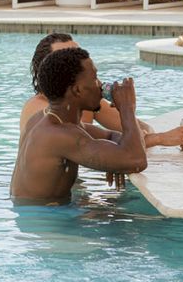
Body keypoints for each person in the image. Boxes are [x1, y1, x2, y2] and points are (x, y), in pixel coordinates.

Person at [11, 46, 148, 204]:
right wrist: (127, 108)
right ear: (77, 90)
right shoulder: (59, 135)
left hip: (37, 214)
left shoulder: (49, 120)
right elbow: (137, 160)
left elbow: (111, 136)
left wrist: (117, 159)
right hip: (44, 220)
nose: (101, 85)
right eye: (95, 78)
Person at [20, 32, 183, 151]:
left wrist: (126, 109)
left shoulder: (84, 103)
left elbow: (140, 129)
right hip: (46, 205)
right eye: (64, 58)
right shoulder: (39, 111)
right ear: (46, 69)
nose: (75, 63)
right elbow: (91, 145)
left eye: (77, 55)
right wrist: (160, 139)